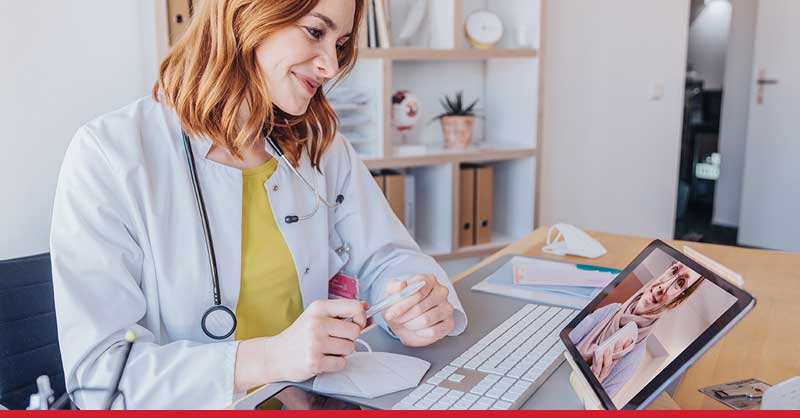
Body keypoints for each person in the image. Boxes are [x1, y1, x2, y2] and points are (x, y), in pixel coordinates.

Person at [50, 0, 466, 409]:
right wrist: (268, 358)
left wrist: (413, 299)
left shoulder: (319, 146)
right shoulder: (111, 154)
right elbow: (102, 377)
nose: (330, 66)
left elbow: (389, 256)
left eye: (339, 44)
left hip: (310, 398)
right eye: (315, 31)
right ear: (245, 13)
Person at [569, 262, 704, 398]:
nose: (663, 287)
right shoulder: (612, 309)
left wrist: (592, 386)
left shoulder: (635, 355)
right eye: (673, 271)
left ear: (676, 301)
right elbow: (568, 339)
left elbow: (599, 404)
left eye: (680, 283)